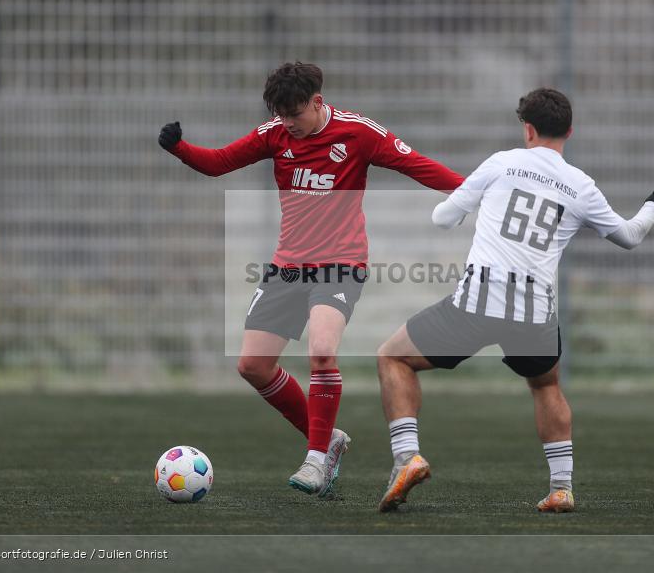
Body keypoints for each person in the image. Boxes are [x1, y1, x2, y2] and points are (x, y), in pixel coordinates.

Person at [158, 62, 464, 497]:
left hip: (341, 262)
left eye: (295, 115)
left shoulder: (358, 133)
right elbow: (221, 162)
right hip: (288, 265)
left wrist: (473, 191)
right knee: (253, 366)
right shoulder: (274, 134)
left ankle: (316, 460)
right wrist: (180, 148)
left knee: (322, 350)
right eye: (281, 115)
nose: (288, 125)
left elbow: (416, 165)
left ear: (317, 102)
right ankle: (330, 437)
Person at [375, 88, 654, 513]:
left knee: (393, 357)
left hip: (479, 300)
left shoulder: (502, 163)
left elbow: (442, 219)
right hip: (534, 311)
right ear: (570, 131)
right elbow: (630, 237)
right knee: (546, 385)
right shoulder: (582, 186)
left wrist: (471, 206)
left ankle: (407, 458)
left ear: (528, 129)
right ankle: (561, 488)